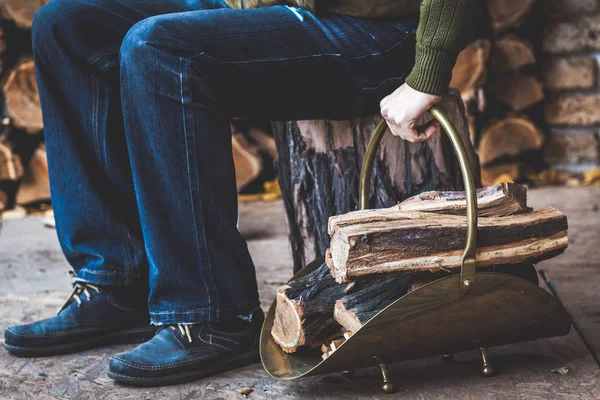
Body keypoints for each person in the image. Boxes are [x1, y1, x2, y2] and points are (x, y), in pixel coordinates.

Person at [3, 0, 481, 386]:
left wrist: (429, 69)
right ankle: (116, 280)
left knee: (159, 48)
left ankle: (212, 314)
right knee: (62, 25)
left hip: (375, 30)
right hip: (256, 9)